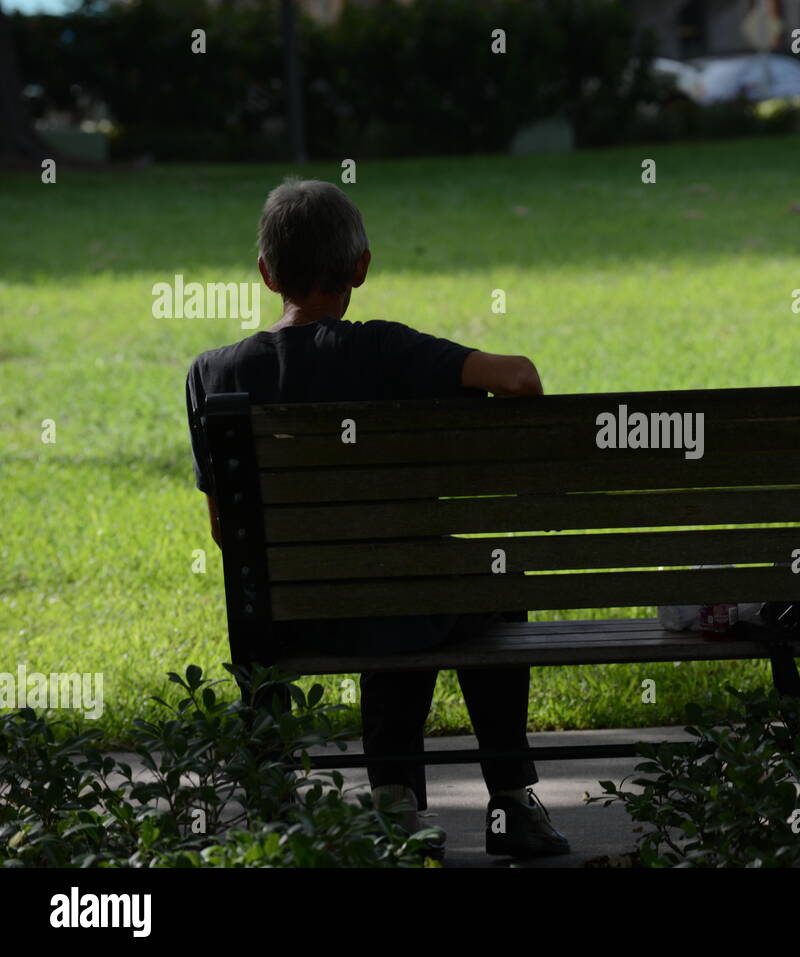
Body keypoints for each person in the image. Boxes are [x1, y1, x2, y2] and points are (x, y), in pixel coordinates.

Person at [184, 177, 568, 857]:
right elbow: (520, 381)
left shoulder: (212, 375)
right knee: (466, 586)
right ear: (361, 267)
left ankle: (390, 803)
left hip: (286, 616)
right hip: (403, 605)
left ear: (266, 273)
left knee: (394, 585)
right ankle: (508, 800)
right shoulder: (386, 351)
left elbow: (224, 531)